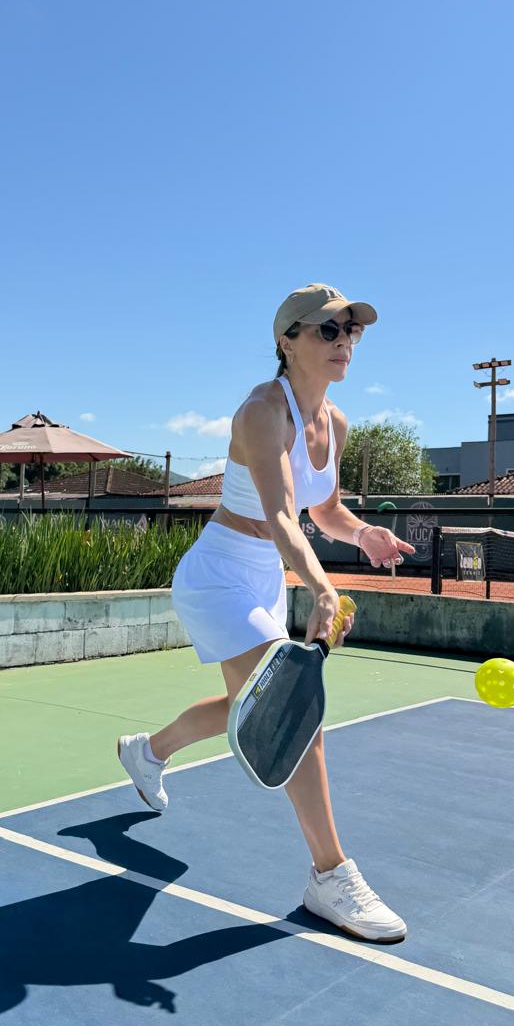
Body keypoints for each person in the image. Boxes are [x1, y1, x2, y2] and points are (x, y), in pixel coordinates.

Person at [118, 284, 416, 943]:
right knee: (294, 713)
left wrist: (361, 533)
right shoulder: (262, 411)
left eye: (352, 332)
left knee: (252, 708)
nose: (344, 342)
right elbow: (281, 516)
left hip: (264, 578)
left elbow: (322, 511)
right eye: (328, 331)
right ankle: (330, 876)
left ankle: (148, 752)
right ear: (288, 340)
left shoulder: (333, 423)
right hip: (221, 573)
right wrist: (323, 586)